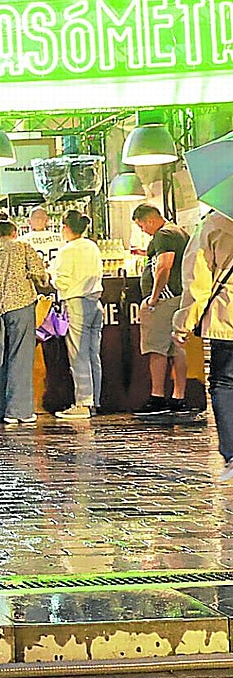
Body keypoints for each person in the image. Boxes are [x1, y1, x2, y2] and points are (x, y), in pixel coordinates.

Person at [173, 211, 233, 480]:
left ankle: (232, 453)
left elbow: (197, 279)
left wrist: (184, 322)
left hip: (228, 315)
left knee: (225, 382)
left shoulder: (215, 223)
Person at [0, 220, 47, 424]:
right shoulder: (24, 247)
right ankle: (18, 411)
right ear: (15, 232)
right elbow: (40, 275)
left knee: (0, 358)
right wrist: (41, 280)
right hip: (19, 305)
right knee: (20, 356)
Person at [131, 203, 192, 416]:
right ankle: (179, 396)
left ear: (150, 220)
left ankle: (157, 396)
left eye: (141, 226)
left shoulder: (163, 235)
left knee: (156, 348)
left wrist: (153, 298)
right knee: (177, 348)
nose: (143, 230)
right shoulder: (178, 231)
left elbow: (164, 265)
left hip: (165, 300)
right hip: (179, 297)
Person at [50, 211, 104, 420]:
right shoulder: (92, 246)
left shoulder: (67, 251)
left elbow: (61, 281)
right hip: (95, 302)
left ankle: (83, 403)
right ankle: (94, 401)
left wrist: (52, 277)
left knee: (78, 353)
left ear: (66, 227)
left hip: (76, 302)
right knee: (92, 354)